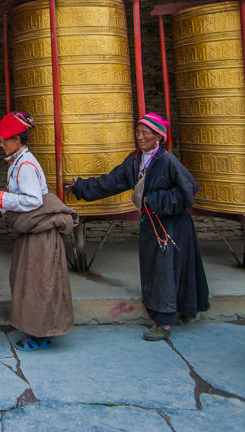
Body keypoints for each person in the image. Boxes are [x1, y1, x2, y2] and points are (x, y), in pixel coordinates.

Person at [67, 113, 209, 341]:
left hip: (172, 224)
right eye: (138, 132)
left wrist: (155, 201)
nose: (140, 137)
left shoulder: (168, 162)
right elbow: (111, 182)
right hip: (151, 224)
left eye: (146, 133)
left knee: (166, 271)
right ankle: (179, 310)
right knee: (158, 269)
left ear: (158, 137)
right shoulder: (135, 161)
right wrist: (80, 186)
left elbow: (189, 190)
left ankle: (164, 322)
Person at [0, 111, 75, 351]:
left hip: (41, 236)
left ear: (17, 140)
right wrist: (1, 199)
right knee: (31, 282)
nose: (1, 144)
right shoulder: (18, 162)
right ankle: (37, 331)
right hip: (33, 233)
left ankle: (41, 335)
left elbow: (33, 200)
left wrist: (2, 198)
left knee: (39, 284)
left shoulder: (26, 166)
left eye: (5, 140)